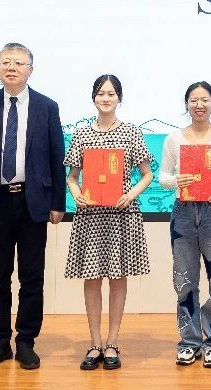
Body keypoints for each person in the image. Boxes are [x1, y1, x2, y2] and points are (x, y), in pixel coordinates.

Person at [0, 42, 66, 370]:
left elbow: (57, 156)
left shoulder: (47, 107)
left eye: (19, 63)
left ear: (30, 70)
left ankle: (26, 341)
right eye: (6, 62)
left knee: (31, 277)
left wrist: (58, 202)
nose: (12, 67)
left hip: (32, 202)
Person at [63, 74, 153, 371]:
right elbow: (72, 177)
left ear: (119, 98)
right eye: (101, 93)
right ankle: (94, 343)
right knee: (91, 279)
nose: (106, 98)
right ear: (93, 98)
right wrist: (76, 194)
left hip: (121, 214)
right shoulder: (81, 134)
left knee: (117, 278)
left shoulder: (131, 132)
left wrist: (131, 195)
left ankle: (112, 342)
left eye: (111, 93)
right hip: (91, 216)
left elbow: (147, 175)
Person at [157, 81, 211, 368]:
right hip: (183, 213)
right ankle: (189, 341)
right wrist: (176, 181)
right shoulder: (174, 139)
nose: (199, 105)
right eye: (194, 100)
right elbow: (162, 176)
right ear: (187, 104)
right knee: (184, 281)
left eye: (204, 100)